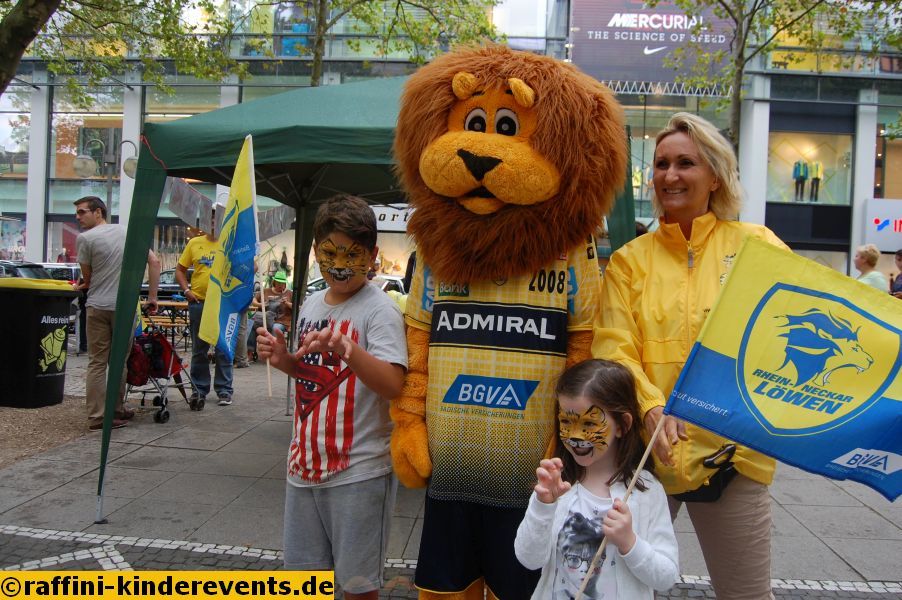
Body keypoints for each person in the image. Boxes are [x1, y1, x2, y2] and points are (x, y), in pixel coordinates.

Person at [593, 112, 789, 600]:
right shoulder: (627, 261)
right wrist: (650, 406)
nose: (670, 175)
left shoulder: (757, 248)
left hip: (733, 458)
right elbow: (613, 346)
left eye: (686, 163)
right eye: (661, 164)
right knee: (618, 591)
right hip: (644, 454)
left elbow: (793, 327)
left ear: (715, 175)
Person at [256, 195, 407, 599]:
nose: (339, 265)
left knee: (357, 588)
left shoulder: (380, 311)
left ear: (373, 255)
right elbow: (311, 375)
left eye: (353, 254)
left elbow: (394, 385)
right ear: (314, 252)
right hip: (302, 469)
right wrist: (284, 359)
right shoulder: (310, 304)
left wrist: (348, 349)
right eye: (329, 253)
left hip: (358, 472)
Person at [514, 359, 679, 599]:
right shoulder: (557, 484)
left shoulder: (647, 492)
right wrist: (543, 507)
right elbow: (528, 559)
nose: (575, 436)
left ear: (623, 425)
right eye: (566, 422)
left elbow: (666, 576)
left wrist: (630, 543)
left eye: (589, 423)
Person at [74, 196, 161, 431]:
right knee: (119, 361)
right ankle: (116, 409)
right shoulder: (127, 232)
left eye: (82, 212)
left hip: (97, 306)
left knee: (97, 362)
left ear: (98, 212)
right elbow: (154, 262)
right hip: (124, 307)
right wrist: (152, 297)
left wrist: (83, 284)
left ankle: (97, 416)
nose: (78, 217)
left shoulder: (85, 239)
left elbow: (88, 278)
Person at [176, 223, 234, 407]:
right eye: (211, 219)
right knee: (199, 349)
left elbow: (251, 266)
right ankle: (199, 389)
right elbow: (180, 270)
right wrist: (186, 291)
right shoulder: (194, 243)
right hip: (198, 302)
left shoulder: (230, 243)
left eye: (218, 219)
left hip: (222, 304)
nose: (214, 223)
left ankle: (224, 389)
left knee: (222, 347)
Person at [246, 270, 292, 360]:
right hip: (264, 319)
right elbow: (253, 301)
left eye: (282, 283)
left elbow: (297, 307)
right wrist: (261, 304)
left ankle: (273, 353)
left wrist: (287, 303)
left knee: (276, 328)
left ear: (285, 284)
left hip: (281, 321)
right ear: (274, 282)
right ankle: (250, 352)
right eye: (278, 282)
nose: (280, 285)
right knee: (251, 324)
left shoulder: (289, 293)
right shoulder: (266, 291)